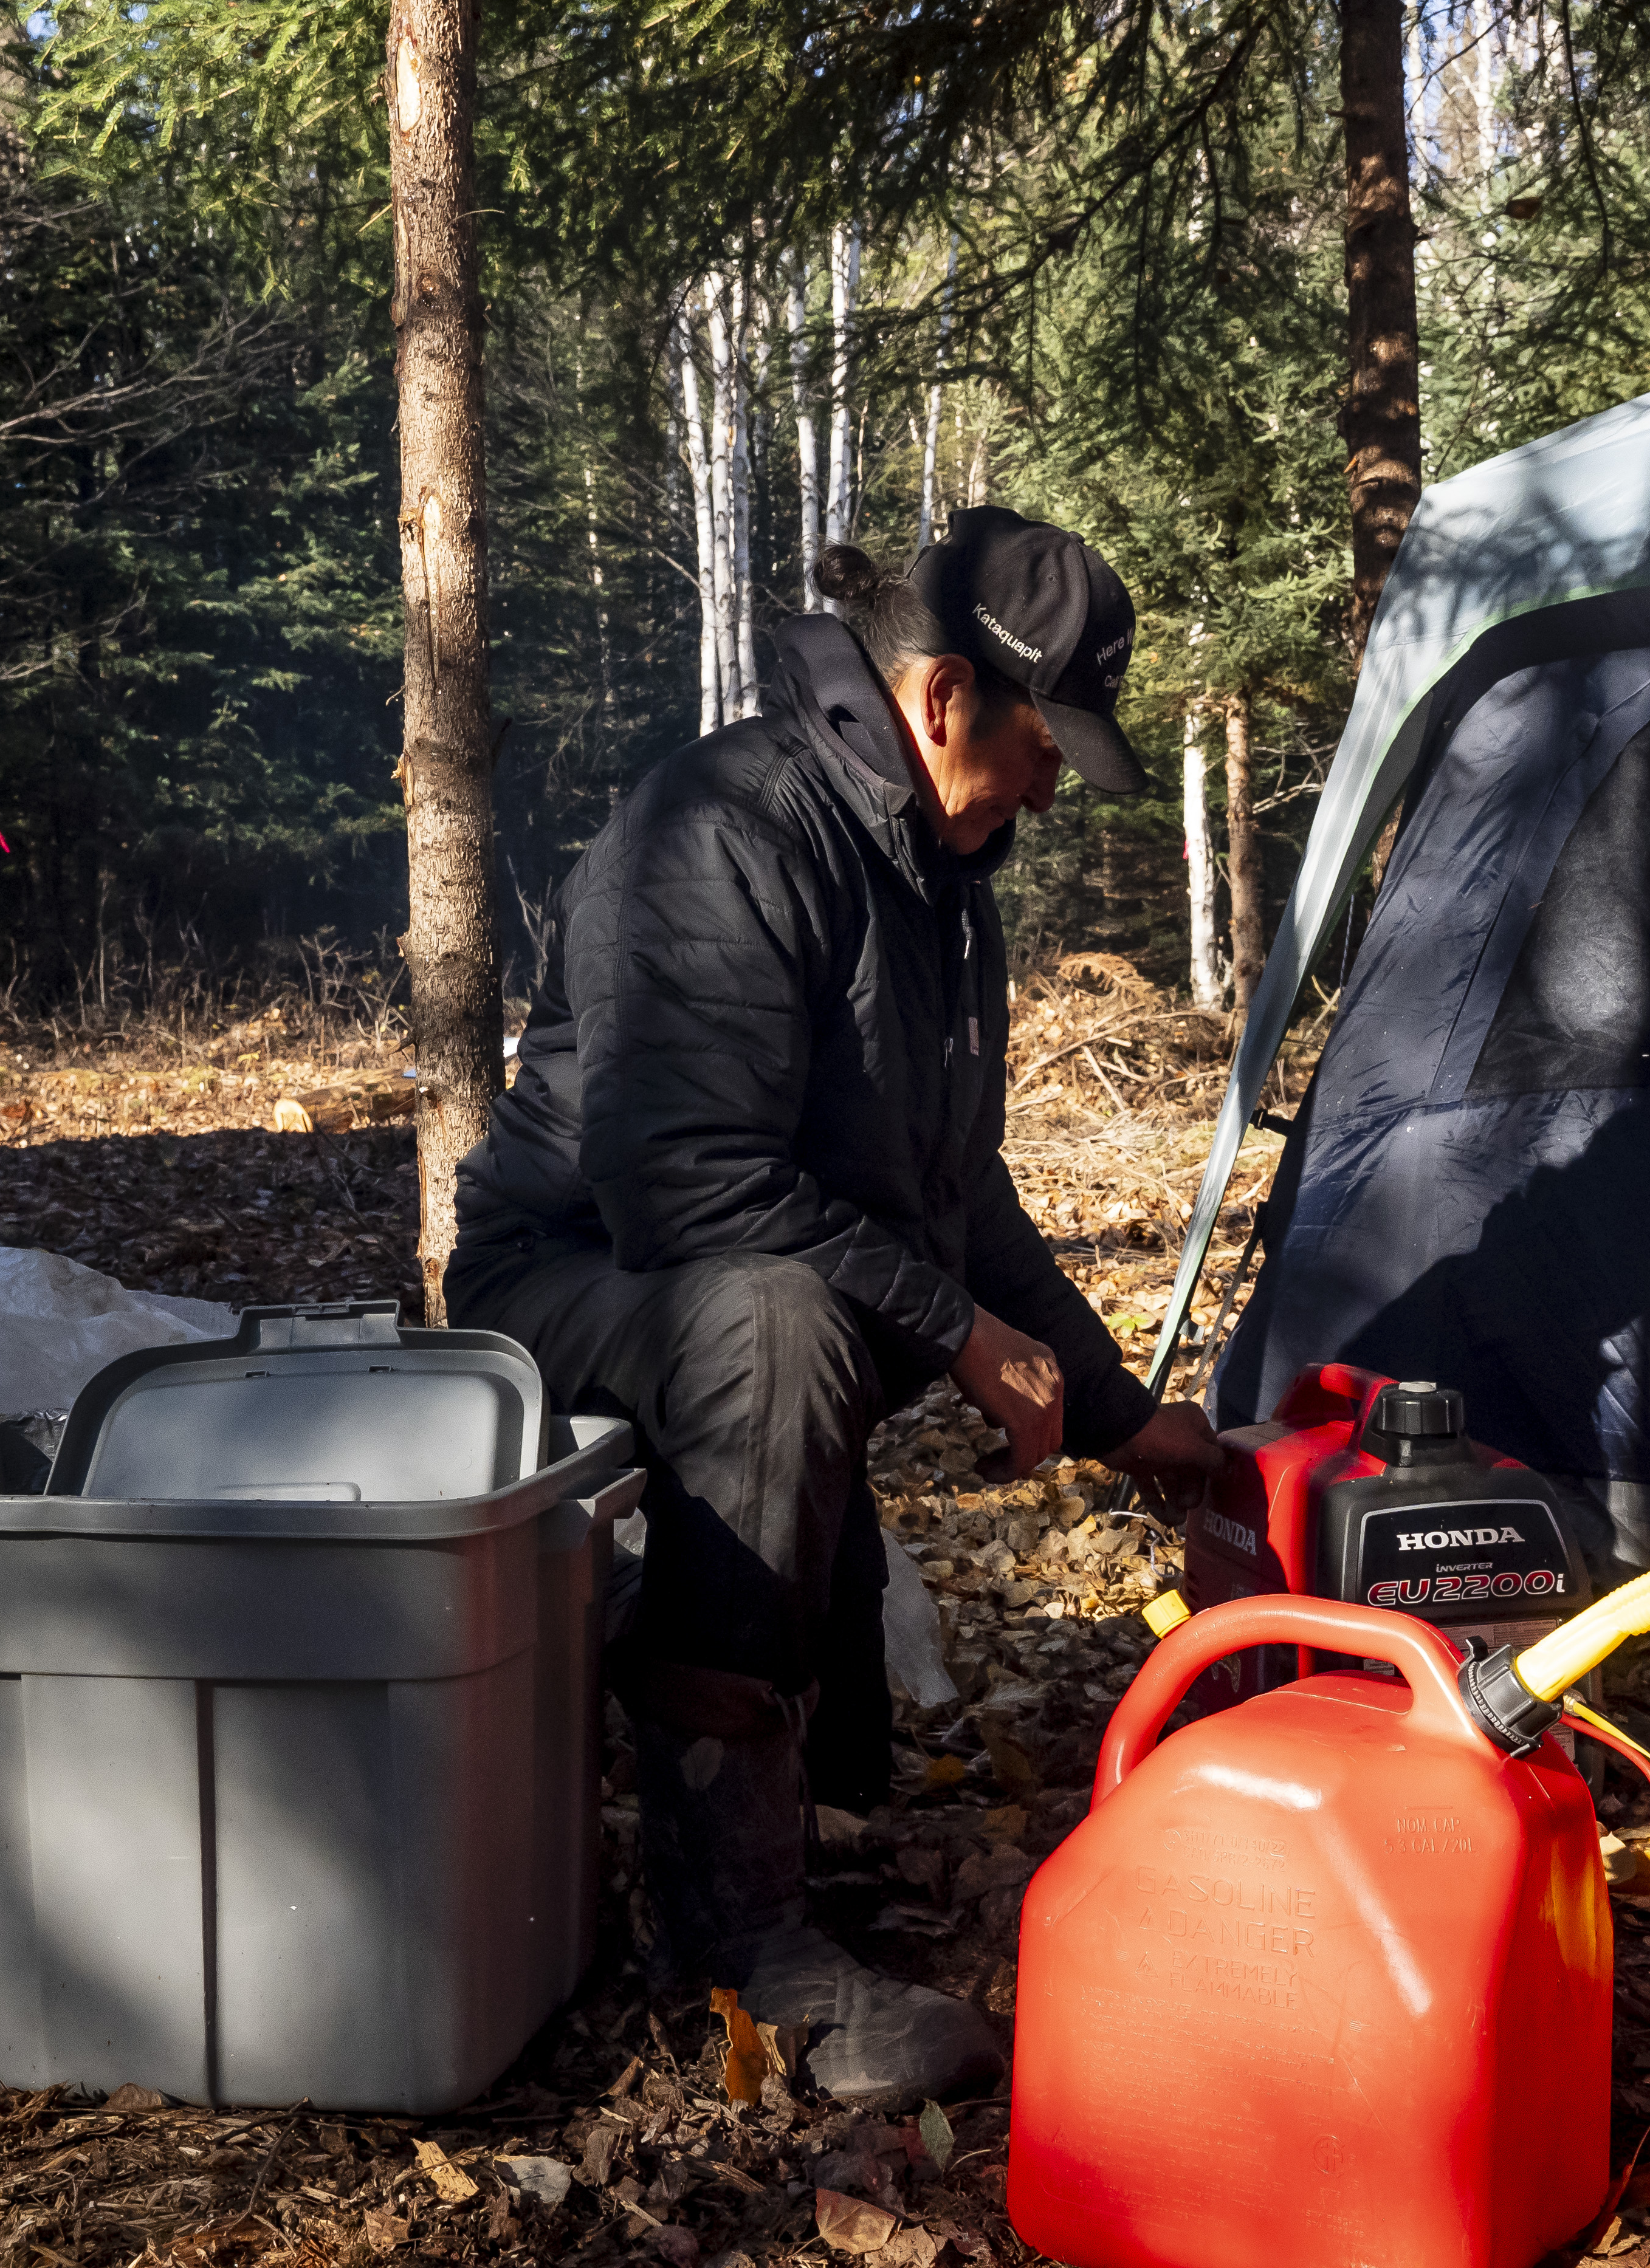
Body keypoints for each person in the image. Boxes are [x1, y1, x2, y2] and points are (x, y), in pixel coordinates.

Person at [449, 507, 1226, 2104]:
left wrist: (1121, 1413)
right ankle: (737, 1949)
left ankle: (812, 1803)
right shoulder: (721, 834)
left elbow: (959, 1195)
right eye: (1042, 740)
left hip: (739, 1275)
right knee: (779, 1328)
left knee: (806, 1310)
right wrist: (955, 1330)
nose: (1054, 782)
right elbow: (683, 1190)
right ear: (942, 702)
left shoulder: (941, 892)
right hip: (569, 1282)